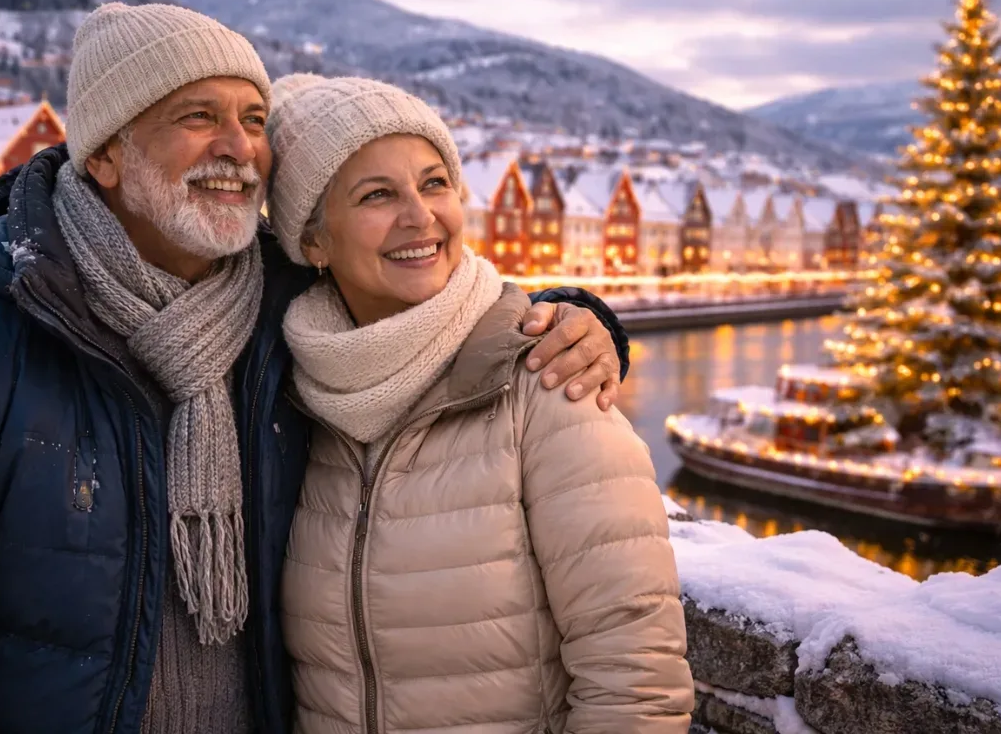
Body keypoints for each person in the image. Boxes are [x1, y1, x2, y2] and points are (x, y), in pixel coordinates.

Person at [0, 4, 630, 733]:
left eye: (254, 120)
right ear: (107, 155)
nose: (238, 147)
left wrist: (571, 317)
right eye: (198, 117)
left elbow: (431, 305)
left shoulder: (286, 321)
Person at [266, 76, 694, 733]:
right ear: (312, 242)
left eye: (435, 183)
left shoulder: (547, 376)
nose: (420, 216)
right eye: (377, 195)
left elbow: (637, 681)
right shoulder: (291, 394)